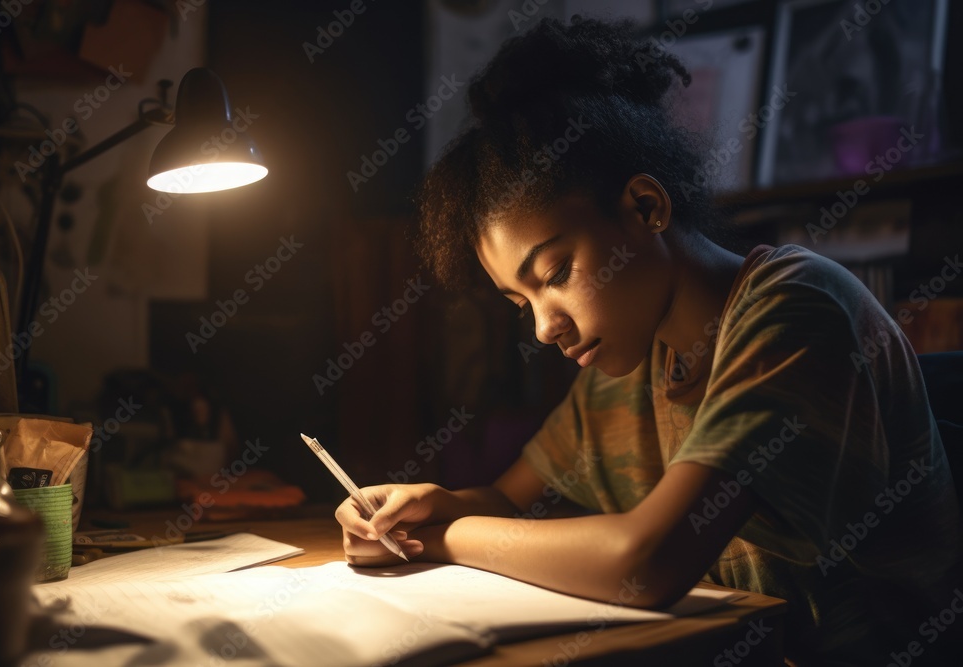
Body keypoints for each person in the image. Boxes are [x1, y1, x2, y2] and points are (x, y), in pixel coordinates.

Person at [334, 17, 962, 665]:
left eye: (555, 274)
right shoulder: (624, 361)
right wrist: (424, 508)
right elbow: (508, 499)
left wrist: (442, 537)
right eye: (521, 302)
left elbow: (649, 558)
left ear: (645, 208)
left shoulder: (796, 306)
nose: (545, 326)